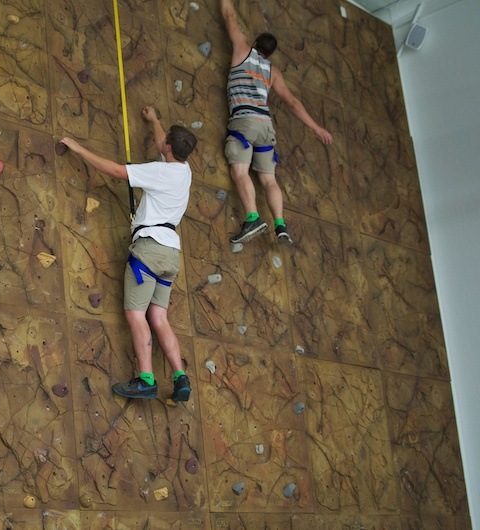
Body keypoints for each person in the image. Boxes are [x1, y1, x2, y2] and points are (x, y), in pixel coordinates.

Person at [60, 106, 197, 402]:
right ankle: (180, 376)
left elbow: (116, 170)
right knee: (159, 317)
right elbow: (166, 144)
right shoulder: (184, 171)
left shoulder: (161, 170)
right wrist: (154, 120)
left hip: (149, 251)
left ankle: (146, 379)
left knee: (136, 314)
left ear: (168, 147)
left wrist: (78, 148)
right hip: (171, 255)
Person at [221, 0, 333, 244]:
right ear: (269, 53)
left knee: (239, 171)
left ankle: (252, 217)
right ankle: (280, 225)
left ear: (254, 43)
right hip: (266, 126)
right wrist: (316, 127)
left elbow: (230, 15)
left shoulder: (242, 49)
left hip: (244, 121)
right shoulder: (273, 72)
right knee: (269, 179)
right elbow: (292, 102)